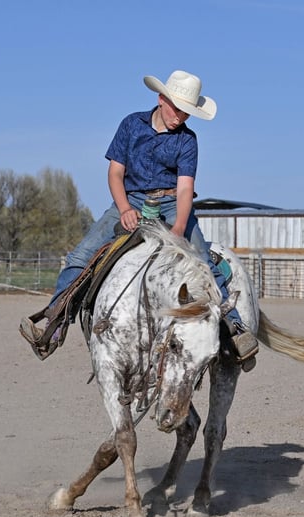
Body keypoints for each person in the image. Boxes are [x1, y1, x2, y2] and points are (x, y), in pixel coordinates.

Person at [21, 70, 258, 370]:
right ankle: (53, 326)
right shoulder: (131, 125)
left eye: (187, 113)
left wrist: (179, 227)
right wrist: (124, 209)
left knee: (201, 259)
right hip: (131, 199)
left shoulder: (188, 141)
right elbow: (115, 173)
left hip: (171, 203)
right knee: (80, 257)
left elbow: (185, 188)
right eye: (177, 109)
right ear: (161, 99)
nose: (180, 117)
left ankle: (235, 328)